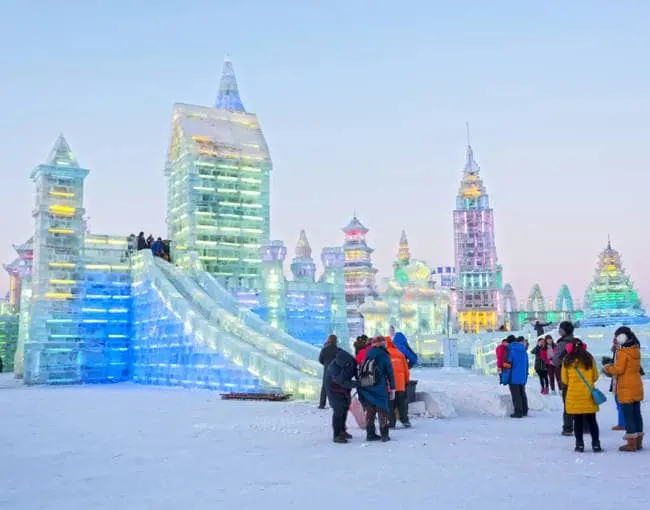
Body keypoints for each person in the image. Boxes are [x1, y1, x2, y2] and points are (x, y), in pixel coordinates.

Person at [604, 326, 644, 452]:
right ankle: (638, 442)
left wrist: (607, 368)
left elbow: (618, 370)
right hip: (636, 386)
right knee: (637, 415)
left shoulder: (623, 353)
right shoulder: (635, 350)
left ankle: (631, 443)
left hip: (626, 387)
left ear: (621, 338)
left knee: (628, 416)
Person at [561, 339, 602, 452]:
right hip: (588, 395)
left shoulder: (567, 360)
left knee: (577, 421)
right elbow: (595, 376)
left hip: (574, 395)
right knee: (592, 421)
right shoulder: (589, 358)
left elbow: (564, 380)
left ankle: (579, 445)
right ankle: (596, 444)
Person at [358, 336, 396, 442]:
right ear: (382, 343)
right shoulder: (384, 355)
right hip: (379, 387)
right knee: (382, 410)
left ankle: (370, 434)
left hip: (367, 385)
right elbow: (390, 372)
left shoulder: (368, 353)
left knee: (370, 411)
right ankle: (384, 435)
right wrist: (393, 388)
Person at [325, 348, 358, 443]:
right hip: (333, 390)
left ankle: (342, 431)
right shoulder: (333, 368)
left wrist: (358, 380)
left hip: (343, 390)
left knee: (345, 408)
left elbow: (354, 372)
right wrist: (359, 383)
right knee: (338, 410)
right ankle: (336, 435)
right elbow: (343, 382)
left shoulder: (350, 361)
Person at [553, 321, 575, 435]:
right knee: (579, 401)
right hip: (578, 378)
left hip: (566, 377)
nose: (559, 331)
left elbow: (556, 361)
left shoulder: (562, 344)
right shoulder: (577, 342)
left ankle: (567, 427)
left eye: (560, 329)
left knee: (568, 403)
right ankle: (583, 425)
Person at [385, 336, 411, 428]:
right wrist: (407, 380)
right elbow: (406, 370)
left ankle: (391, 422)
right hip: (400, 384)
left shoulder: (384, 354)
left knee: (390, 404)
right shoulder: (400, 354)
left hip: (389, 384)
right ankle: (405, 420)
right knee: (402, 403)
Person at [501, 336, 529, 418]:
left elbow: (507, 365)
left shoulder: (510, 351)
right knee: (522, 393)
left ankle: (518, 412)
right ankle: (524, 411)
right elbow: (527, 365)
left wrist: (505, 377)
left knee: (516, 395)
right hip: (522, 376)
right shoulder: (524, 350)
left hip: (513, 377)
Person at [318, 335, 339, 409]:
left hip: (327, 370)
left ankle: (322, 404)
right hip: (335, 370)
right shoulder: (337, 350)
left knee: (324, 387)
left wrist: (326, 364)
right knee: (335, 387)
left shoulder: (324, 349)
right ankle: (334, 404)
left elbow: (320, 359)